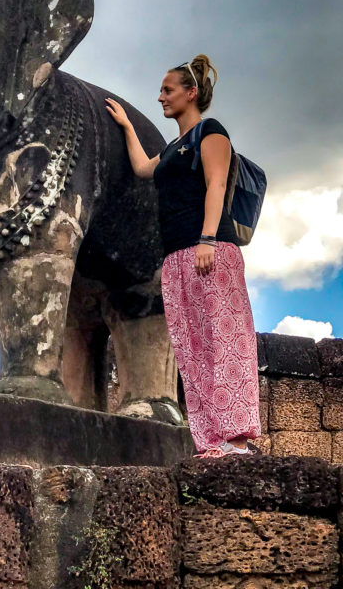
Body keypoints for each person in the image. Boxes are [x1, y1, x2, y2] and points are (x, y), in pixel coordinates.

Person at [105, 54, 261, 458]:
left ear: (191, 93)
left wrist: (207, 239)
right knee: (191, 349)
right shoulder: (175, 147)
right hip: (176, 257)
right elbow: (143, 169)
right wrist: (125, 125)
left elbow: (216, 183)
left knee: (224, 341)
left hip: (211, 248)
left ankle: (238, 439)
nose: (160, 97)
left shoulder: (211, 132)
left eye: (168, 90)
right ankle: (211, 441)